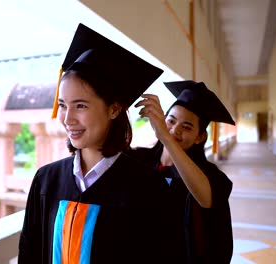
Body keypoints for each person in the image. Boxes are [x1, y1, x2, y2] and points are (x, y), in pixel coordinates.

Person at [18, 23, 172, 264]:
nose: (68, 119)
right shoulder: (46, 180)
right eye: (62, 105)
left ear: (113, 109)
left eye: (81, 106)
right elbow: (30, 253)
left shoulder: (148, 187)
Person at [127, 80, 235, 263]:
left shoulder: (211, 177)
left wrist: (166, 138)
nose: (174, 130)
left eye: (187, 127)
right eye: (171, 121)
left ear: (200, 137)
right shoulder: (139, 161)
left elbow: (207, 199)